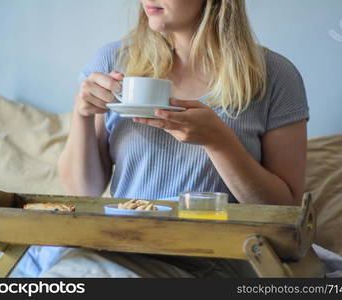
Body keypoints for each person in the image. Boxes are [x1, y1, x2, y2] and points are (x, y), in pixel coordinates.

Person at [55, 0, 309, 277]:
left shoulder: (274, 75)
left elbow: (283, 212)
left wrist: (219, 142)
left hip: (218, 255)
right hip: (120, 244)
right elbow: (82, 192)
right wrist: (81, 114)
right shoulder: (114, 61)